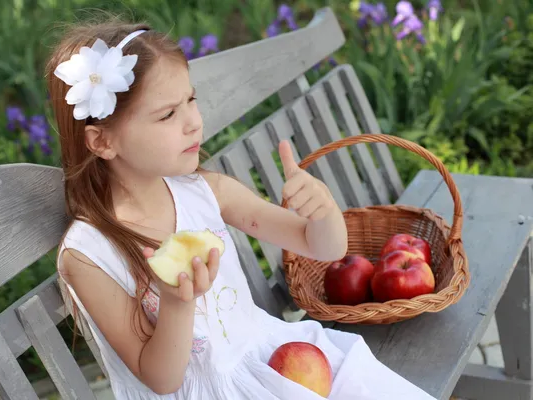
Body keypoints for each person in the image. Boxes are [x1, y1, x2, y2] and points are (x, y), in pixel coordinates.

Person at [46, 16, 435, 400]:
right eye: (167, 114)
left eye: (191, 100)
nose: (193, 123)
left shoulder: (206, 192)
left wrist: (323, 213)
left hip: (273, 361)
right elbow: (161, 379)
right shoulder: (87, 256)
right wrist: (177, 304)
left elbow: (322, 247)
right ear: (101, 143)